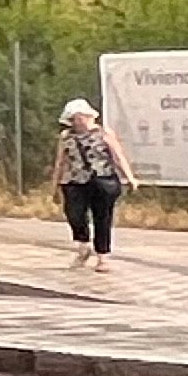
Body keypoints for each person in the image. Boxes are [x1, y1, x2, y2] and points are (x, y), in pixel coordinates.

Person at [56, 98, 134, 268]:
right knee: (74, 214)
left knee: (102, 216)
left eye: (79, 117)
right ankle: (83, 245)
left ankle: (102, 257)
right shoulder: (66, 136)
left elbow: (117, 156)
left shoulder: (104, 133)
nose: (77, 122)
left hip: (102, 179)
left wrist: (129, 177)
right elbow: (61, 161)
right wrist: (55, 183)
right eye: (73, 118)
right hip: (75, 181)